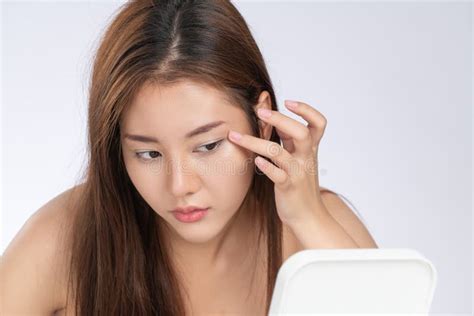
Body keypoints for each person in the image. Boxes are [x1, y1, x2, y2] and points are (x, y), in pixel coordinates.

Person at [0, 0, 378, 315]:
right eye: (148, 153)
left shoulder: (317, 231)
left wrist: (308, 217)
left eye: (208, 146)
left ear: (262, 123)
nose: (180, 186)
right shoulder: (64, 237)